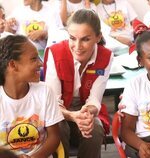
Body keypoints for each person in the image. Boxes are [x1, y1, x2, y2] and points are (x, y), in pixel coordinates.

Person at [44, 9, 113, 158]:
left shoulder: (106, 56)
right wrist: (72, 115)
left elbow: (95, 99)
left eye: (85, 39)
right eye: (72, 38)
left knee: (95, 127)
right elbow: (52, 103)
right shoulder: (55, 53)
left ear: (98, 37)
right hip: (60, 112)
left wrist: (85, 116)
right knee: (58, 125)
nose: (77, 46)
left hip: (85, 112)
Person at [0, 35, 64, 158]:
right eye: (34, 59)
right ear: (13, 65)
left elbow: (54, 137)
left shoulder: (45, 92)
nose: (40, 63)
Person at [120, 28, 150, 157]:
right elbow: (125, 131)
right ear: (140, 60)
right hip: (144, 141)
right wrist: (141, 146)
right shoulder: (134, 85)